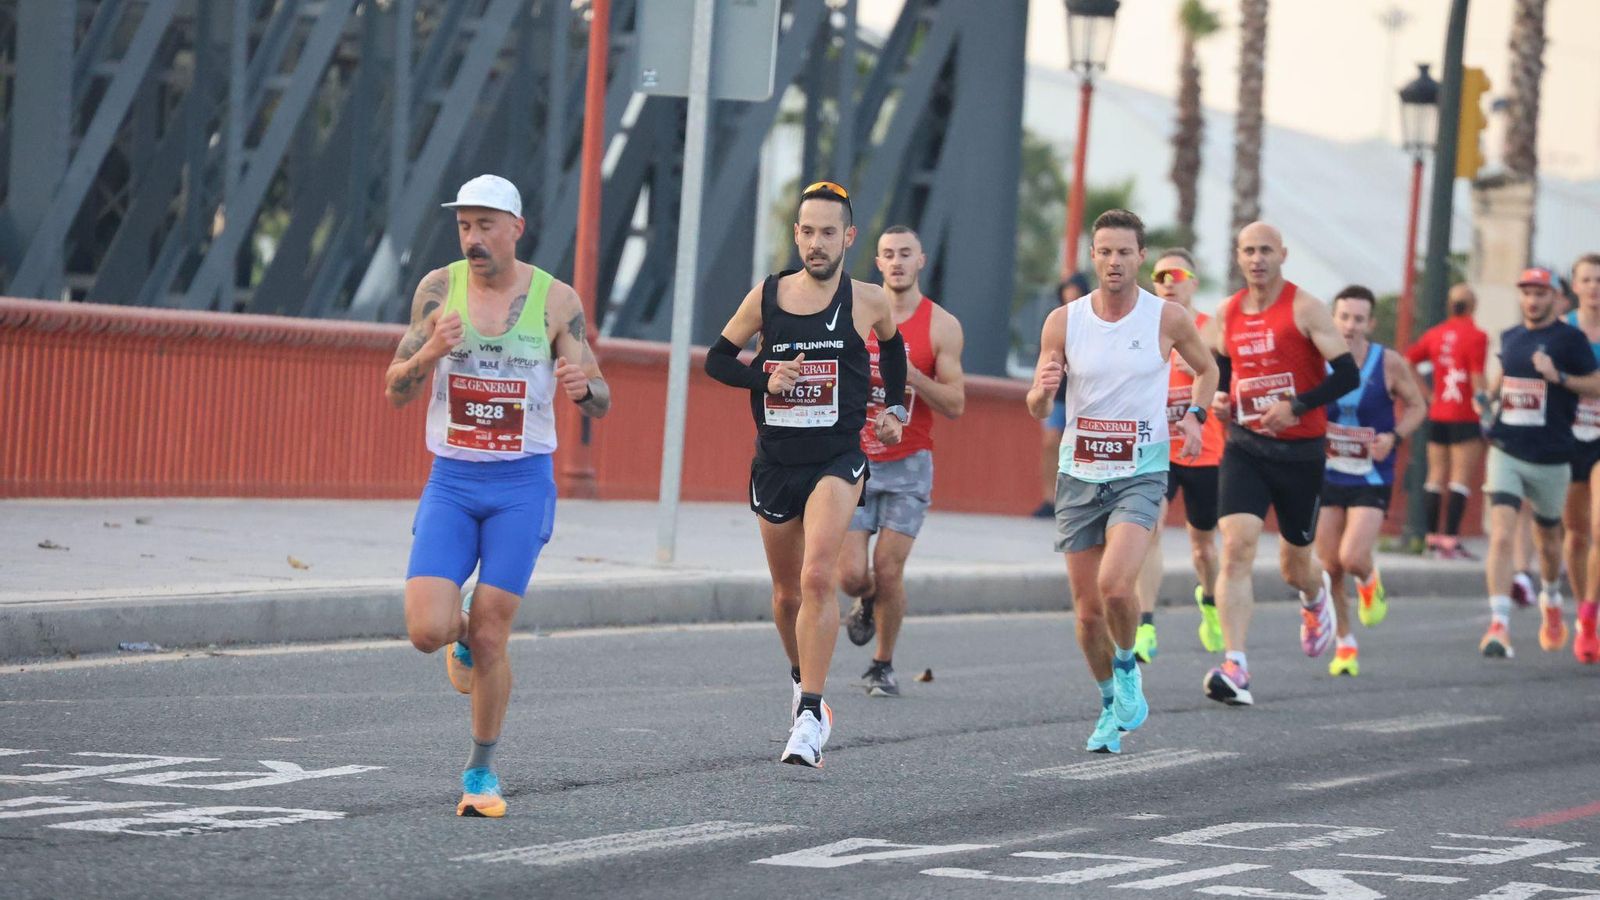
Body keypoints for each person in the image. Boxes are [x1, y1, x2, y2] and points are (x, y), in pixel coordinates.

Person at [386, 174, 612, 817]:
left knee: (492, 635)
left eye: (486, 225)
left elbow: (601, 394)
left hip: (520, 487)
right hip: (452, 482)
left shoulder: (555, 301)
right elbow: (395, 389)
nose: (473, 238)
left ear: (517, 228)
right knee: (426, 630)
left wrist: (582, 389)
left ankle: (480, 773)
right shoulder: (438, 290)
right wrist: (429, 352)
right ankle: (458, 633)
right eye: (464, 226)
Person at [703, 181, 905, 767]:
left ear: (849, 237)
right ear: (796, 235)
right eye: (808, 232)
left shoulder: (868, 300)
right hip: (775, 461)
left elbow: (893, 351)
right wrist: (764, 379)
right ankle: (801, 679)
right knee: (787, 592)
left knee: (818, 576)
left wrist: (895, 409)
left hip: (837, 458)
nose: (817, 243)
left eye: (828, 233)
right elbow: (717, 359)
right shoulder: (767, 296)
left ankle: (812, 717)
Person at [1027, 209, 1216, 753]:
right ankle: (1110, 702)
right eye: (1105, 251)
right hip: (1079, 474)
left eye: (1124, 252)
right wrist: (1042, 391)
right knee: (1088, 614)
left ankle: (1128, 665)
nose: (1114, 261)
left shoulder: (1166, 318)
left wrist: (1196, 417)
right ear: (1093, 256)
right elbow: (1037, 405)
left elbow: (1208, 371)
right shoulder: (1064, 321)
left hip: (1141, 471)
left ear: (1141, 257)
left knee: (1115, 586)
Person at [1203, 221, 1357, 706]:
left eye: (1266, 250)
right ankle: (1236, 666)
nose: (1257, 259)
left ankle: (1314, 595)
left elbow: (1347, 374)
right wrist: (1221, 396)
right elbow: (1217, 361)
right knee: (1236, 547)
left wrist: (1297, 406)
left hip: (1300, 455)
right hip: (1246, 447)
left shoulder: (1305, 308)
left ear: (1282, 255)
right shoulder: (1227, 312)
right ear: (1238, 256)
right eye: (1248, 250)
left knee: (1295, 567)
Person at [839, 226, 967, 696]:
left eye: (905, 254)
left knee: (889, 570)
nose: (897, 262)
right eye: (888, 254)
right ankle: (867, 598)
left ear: (920, 261)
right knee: (851, 576)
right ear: (878, 262)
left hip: (909, 464)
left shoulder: (941, 326)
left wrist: (913, 376)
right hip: (854, 460)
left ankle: (882, 664)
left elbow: (955, 404)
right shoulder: (853, 313)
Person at [1478, 267, 1600, 658]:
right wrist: (1486, 399)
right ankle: (1499, 625)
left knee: (1550, 543)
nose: (1532, 300)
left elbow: (1596, 383)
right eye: (1527, 293)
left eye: (1540, 293)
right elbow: (1503, 379)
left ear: (1556, 298)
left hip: (1552, 456)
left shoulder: (1571, 340)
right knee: (1502, 533)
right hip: (1507, 449)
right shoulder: (1511, 337)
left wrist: (1558, 375)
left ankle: (1551, 597)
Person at [1313, 286, 1427, 677]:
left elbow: (1418, 406)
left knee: (1353, 557)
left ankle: (1369, 578)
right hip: (1328, 471)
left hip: (1371, 474)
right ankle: (1345, 642)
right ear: (1333, 317)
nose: (1350, 326)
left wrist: (1394, 436)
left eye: (1358, 319)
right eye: (1344, 317)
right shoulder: (1318, 357)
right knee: (1330, 566)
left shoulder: (1388, 362)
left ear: (1371, 323)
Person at [1132, 249, 1226, 663]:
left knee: (1202, 546)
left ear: (1194, 283)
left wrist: (1204, 368)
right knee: (1150, 529)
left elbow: (1224, 369)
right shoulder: (1142, 327)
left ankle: (1210, 601)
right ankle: (1145, 625)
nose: (1169, 282)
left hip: (1205, 450)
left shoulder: (1211, 328)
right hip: (1159, 448)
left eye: (1178, 275)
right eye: (1161, 276)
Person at [1405, 283, 1489, 560]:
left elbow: (1407, 361)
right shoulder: (1477, 336)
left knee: (1435, 476)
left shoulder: (1435, 334)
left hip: (1438, 413)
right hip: (1465, 415)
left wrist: (1427, 394)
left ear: (1449, 305)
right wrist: (1486, 407)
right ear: (1473, 305)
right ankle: (1451, 540)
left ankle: (1431, 540)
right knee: (1460, 479)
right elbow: (1477, 376)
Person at [1561, 253, 1600, 663]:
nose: (1594, 287)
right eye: (1587, 279)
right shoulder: (1561, 331)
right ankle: (1582, 610)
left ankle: (1590, 614)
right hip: (1569, 438)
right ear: (1574, 286)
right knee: (1574, 534)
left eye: (1599, 280)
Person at [1034, 273, 1090, 517]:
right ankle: (1050, 498)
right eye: (1067, 292)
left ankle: (1078, 499)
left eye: (1075, 292)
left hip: (1084, 393)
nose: (1070, 297)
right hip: (1057, 393)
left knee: (1083, 446)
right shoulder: (1056, 320)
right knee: (1050, 442)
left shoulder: (1092, 320)